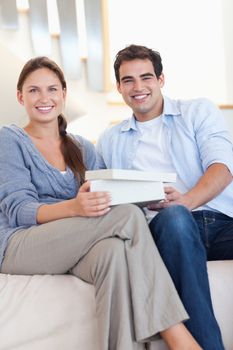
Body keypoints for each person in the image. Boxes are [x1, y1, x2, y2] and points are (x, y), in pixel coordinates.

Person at [0, 56, 202, 350]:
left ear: (64, 94)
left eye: (52, 89)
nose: (44, 98)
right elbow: (19, 211)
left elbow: (107, 197)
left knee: (114, 251)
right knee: (127, 218)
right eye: (34, 91)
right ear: (20, 97)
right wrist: (75, 207)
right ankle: (176, 334)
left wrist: (146, 194)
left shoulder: (82, 147)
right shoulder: (9, 139)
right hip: (18, 245)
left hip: (70, 244)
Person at [96, 44, 233, 350]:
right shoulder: (109, 141)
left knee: (179, 211)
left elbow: (223, 168)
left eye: (146, 77)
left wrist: (188, 199)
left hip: (221, 221)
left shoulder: (197, 111)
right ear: (119, 87)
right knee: (174, 217)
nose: (138, 87)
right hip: (167, 229)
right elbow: (107, 198)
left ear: (161, 79)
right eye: (128, 80)